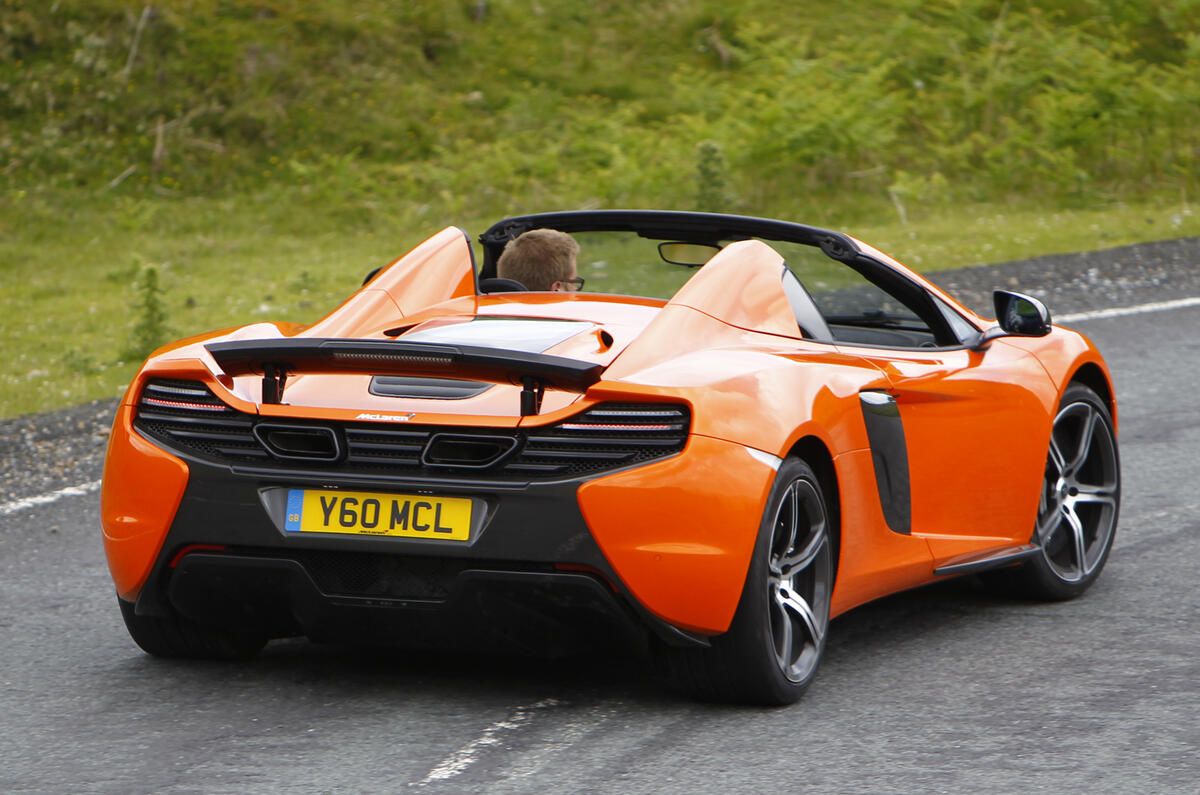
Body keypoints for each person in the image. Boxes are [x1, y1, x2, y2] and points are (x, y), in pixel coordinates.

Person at [496, 228, 584, 292]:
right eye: (573, 283)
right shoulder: (579, 316)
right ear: (557, 289)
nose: (575, 290)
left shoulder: (486, 309)